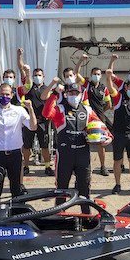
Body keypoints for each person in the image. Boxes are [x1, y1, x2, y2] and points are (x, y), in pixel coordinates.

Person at [43, 80, 112, 211]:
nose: (74, 95)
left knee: (84, 190)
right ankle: (59, 218)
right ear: (66, 94)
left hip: (83, 155)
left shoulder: (87, 110)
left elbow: (100, 125)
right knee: (61, 189)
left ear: (81, 95)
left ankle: (86, 218)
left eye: (77, 93)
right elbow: (46, 113)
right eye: (71, 93)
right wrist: (54, 93)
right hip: (65, 155)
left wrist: (109, 137)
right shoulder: (60, 109)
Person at [0, 83, 37, 197]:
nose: (4, 97)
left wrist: (30, 109)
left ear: (12, 95)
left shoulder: (19, 110)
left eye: (7, 94)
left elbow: (33, 126)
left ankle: (16, 212)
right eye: (2, 94)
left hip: (14, 154)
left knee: (16, 188)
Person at [104, 69, 130, 194]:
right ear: (126, 87)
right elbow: (111, 89)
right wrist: (108, 77)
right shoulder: (119, 98)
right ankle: (117, 184)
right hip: (119, 134)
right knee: (118, 160)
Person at [16, 48, 54, 176]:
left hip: (42, 122)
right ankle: (25, 166)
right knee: (27, 146)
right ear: (32, 76)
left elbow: (51, 105)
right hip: (29, 122)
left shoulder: (47, 89)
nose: (37, 77)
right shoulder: (28, 86)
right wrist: (19, 56)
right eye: (35, 75)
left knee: (45, 146)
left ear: (43, 77)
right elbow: (21, 69)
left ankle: (48, 167)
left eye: (39, 75)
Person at [80, 56, 112, 177]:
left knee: (100, 144)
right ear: (91, 74)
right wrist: (81, 61)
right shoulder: (87, 85)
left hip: (99, 119)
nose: (96, 75)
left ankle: (103, 167)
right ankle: (84, 166)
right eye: (94, 74)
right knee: (84, 142)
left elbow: (109, 104)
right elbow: (77, 75)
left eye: (98, 74)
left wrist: (100, 112)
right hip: (86, 118)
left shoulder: (104, 89)